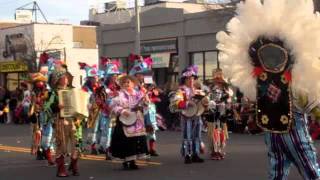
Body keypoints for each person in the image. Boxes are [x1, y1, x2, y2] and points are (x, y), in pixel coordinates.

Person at [216, 0, 320, 179]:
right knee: (303, 171)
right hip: (283, 134)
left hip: (278, 133)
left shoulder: (284, 82)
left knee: (289, 172)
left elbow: (310, 105)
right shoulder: (269, 81)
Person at [48, 61, 81, 177]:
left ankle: (74, 164)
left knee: (76, 143)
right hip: (61, 120)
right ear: (58, 80)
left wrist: (84, 109)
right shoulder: (54, 93)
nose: (66, 79)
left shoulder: (73, 91)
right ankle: (61, 169)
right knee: (61, 144)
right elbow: (47, 107)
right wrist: (57, 107)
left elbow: (78, 105)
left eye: (66, 77)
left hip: (73, 120)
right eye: (63, 77)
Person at [110, 75, 148, 170]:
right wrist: (122, 111)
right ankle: (126, 160)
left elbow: (145, 105)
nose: (126, 84)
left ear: (133, 84)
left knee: (135, 140)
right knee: (126, 141)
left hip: (136, 119)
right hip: (125, 119)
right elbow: (113, 106)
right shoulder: (119, 94)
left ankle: (132, 161)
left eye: (128, 82)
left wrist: (145, 102)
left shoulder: (138, 94)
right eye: (124, 82)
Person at [169, 65, 205, 164]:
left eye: (192, 78)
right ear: (184, 80)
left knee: (197, 135)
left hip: (197, 116)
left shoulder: (197, 90)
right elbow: (176, 103)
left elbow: (203, 103)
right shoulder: (181, 91)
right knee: (187, 136)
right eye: (188, 78)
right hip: (187, 116)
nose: (191, 80)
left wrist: (206, 102)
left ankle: (196, 154)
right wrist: (186, 103)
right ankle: (187, 155)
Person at [129, 55, 160, 156]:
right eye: (140, 74)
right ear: (135, 75)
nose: (142, 75)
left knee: (151, 129)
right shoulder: (133, 86)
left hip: (149, 109)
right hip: (138, 111)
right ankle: (140, 150)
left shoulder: (147, 83)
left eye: (143, 73)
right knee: (139, 131)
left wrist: (154, 93)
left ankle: (152, 148)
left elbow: (156, 92)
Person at [203, 68, 229, 160]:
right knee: (213, 130)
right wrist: (209, 102)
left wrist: (227, 100)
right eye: (216, 74)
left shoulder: (225, 86)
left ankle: (220, 150)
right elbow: (205, 97)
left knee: (221, 130)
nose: (218, 76)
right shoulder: (208, 85)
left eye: (220, 74)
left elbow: (229, 97)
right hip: (212, 110)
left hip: (221, 110)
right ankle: (214, 151)